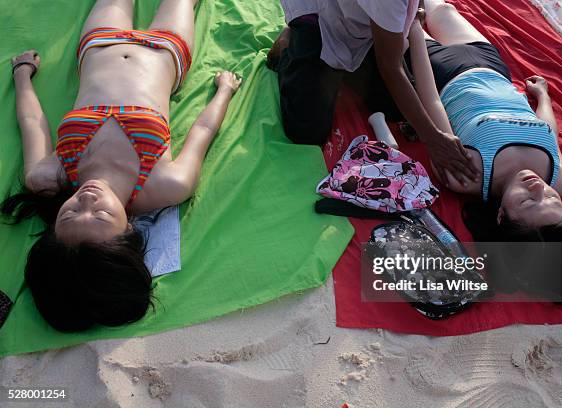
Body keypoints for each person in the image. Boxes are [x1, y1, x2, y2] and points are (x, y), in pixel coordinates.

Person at [2, 0, 242, 332]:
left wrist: (22, 75)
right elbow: (202, 131)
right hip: (165, 50)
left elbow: (32, 121)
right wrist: (224, 92)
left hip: (100, 44)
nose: (86, 200)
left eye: (69, 213)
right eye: (99, 215)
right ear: (129, 230)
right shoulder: (166, 183)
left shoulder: (49, 175)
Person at [405, 0, 562, 296]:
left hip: (443, 72)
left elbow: (431, 101)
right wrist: (543, 98)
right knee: (444, 10)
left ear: (500, 215)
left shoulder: (467, 176)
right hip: (493, 66)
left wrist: (415, 34)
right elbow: (549, 132)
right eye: (552, 201)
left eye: (528, 202)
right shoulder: (559, 181)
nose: (538, 188)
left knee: (410, 11)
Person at [268, 0, 478, 186]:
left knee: (396, 108)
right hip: (320, 13)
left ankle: (346, 61)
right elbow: (390, 67)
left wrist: (418, 9)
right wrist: (433, 138)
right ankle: (293, 39)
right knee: (306, 129)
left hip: (360, 19)